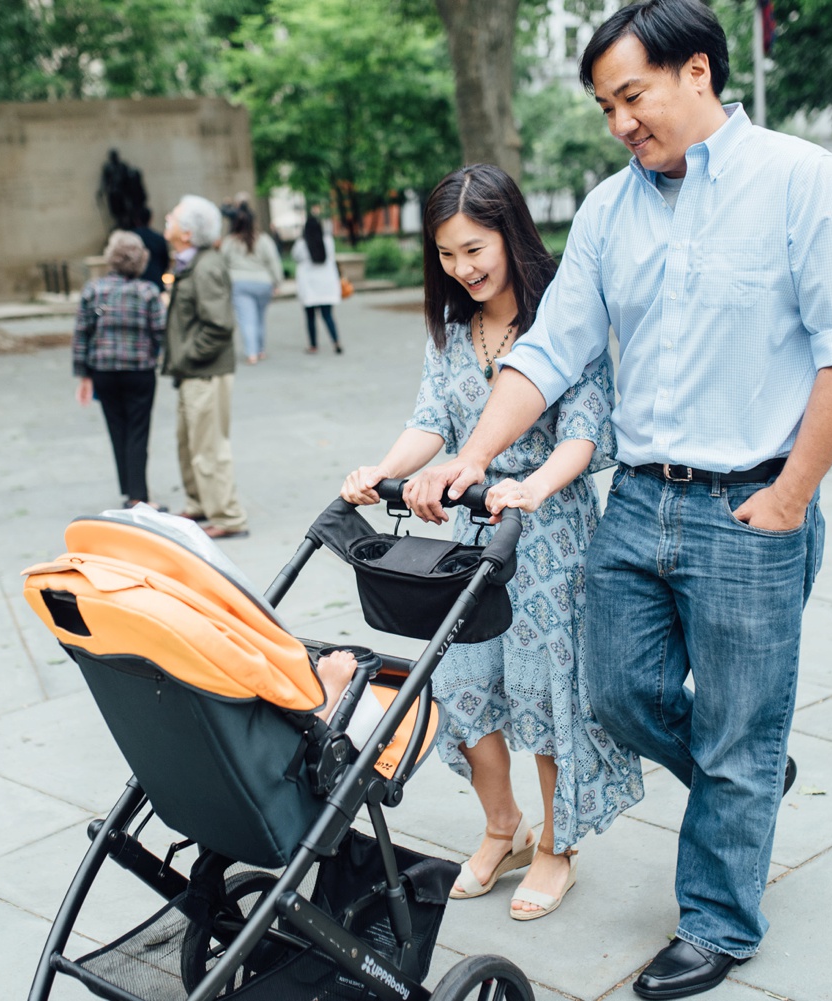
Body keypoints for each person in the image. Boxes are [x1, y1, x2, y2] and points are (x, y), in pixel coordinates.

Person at [407, 2, 832, 996]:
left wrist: (795, 494)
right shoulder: (608, 209)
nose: (621, 121)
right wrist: (473, 454)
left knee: (738, 728)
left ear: (700, 73)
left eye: (632, 95)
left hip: (754, 503)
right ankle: (745, 779)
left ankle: (719, 917)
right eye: (605, 106)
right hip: (636, 502)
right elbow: (549, 349)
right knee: (618, 693)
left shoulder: (806, 185)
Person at [340, 164, 644, 922]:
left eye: (474, 248)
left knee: (545, 693)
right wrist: (384, 468)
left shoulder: (563, 317)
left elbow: (585, 431)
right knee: (467, 686)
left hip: (549, 531)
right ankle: (503, 825)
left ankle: (555, 845)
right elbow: (431, 420)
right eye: (446, 254)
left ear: (510, 232)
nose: (463, 268)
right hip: (473, 532)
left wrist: (534, 485)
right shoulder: (451, 328)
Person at [162, 195, 250, 540]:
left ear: (186, 232)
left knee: (209, 447)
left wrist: (185, 356)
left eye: (173, 216)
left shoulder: (206, 265)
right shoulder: (191, 261)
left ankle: (227, 517)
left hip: (205, 371)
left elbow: (218, 326)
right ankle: (199, 503)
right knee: (189, 444)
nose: (166, 218)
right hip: (194, 371)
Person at [73, 231, 166, 509]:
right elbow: (160, 332)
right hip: (139, 370)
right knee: (138, 430)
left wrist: (84, 375)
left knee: (117, 428)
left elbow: (81, 334)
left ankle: (128, 487)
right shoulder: (148, 292)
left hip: (104, 370)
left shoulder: (94, 290)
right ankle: (138, 495)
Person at [220, 206, 284, 365]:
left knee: (247, 319)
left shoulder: (229, 242)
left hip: (239, 284)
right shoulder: (264, 240)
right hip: (263, 283)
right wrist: (277, 282)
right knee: (260, 318)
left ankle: (251, 353)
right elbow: (274, 262)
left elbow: (221, 264)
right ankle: (260, 350)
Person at [292, 215, 343, 354]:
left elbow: (295, 257)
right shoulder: (328, 241)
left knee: (310, 318)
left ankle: (313, 345)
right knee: (328, 316)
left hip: (309, 286)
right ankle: (336, 342)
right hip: (326, 285)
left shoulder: (301, 244)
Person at [131, 207, 170, 287]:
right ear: (150, 219)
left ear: (136, 220)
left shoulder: (129, 238)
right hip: (156, 281)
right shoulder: (159, 238)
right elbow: (165, 262)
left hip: (136, 283)